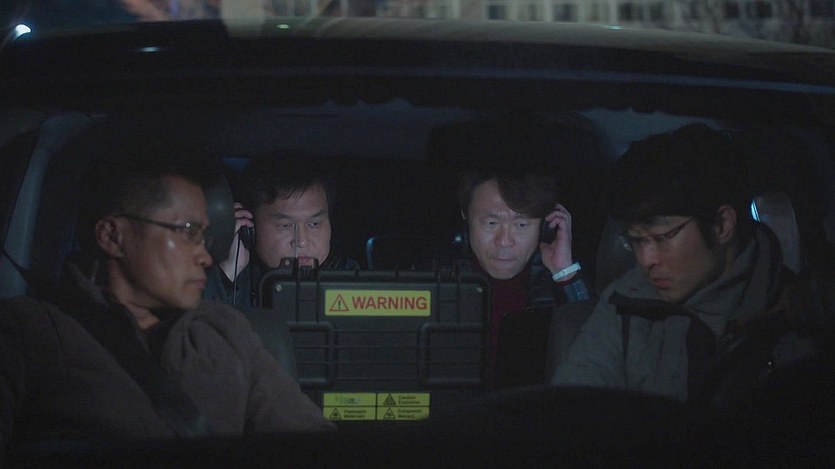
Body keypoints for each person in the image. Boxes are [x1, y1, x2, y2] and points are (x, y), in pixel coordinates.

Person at [0, 153, 335, 448]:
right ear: (113, 236)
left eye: (205, 236)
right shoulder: (30, 332)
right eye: (188, 232)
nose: (205, 256)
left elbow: (313, 442)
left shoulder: (226, 332)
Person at [551, 124, 822, 405]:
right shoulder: (624, 305)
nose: (646, 260)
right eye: (636, 240)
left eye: (662, 237)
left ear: (721, 225)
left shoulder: (801, 312)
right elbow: (574, 409)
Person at [458, 171, 590, 385]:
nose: (504, 242)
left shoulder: (554, 286)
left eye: (521, 225)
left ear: (545, 227)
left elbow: (596, 359)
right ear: (466, 217)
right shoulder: (433, 281)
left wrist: (565, 273)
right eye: (491, 223)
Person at [204, 156, 359, 308]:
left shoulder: (351, 281)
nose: (301, 241)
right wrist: (227, 275)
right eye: (285, 226)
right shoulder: (233, 277)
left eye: (314, 224)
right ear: (249, 228)